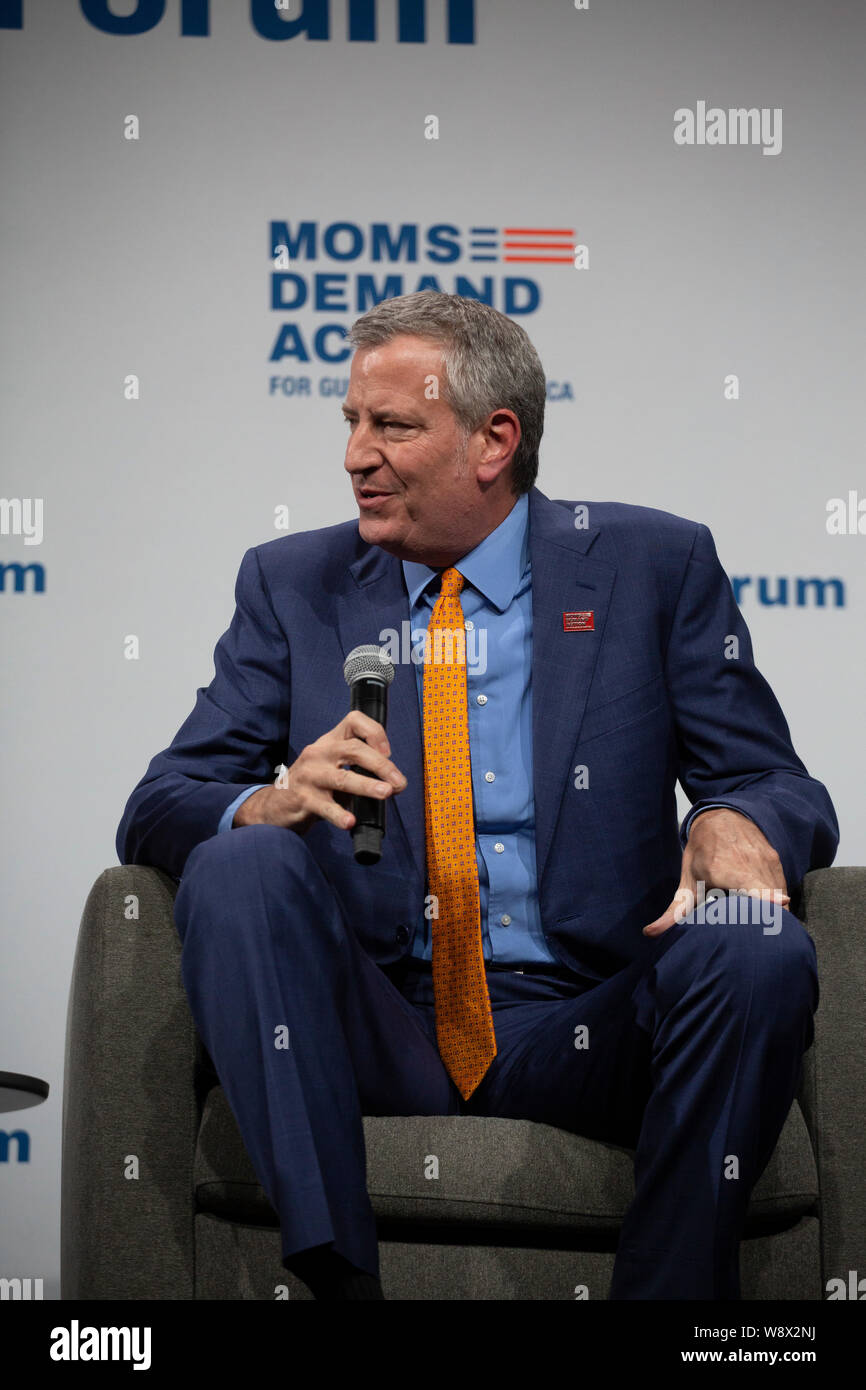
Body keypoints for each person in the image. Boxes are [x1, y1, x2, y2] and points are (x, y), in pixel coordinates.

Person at [116, 290, 838, 1301]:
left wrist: (733, 816)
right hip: (376, 1019)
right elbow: (161, 798)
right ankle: (338, 1280)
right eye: (349, 424)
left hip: (590, 1020)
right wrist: (267, 802)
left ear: (493, 440)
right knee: (239, 862)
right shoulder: (294, 583)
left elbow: (776, 779)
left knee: (755, 949)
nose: (354, 455)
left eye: (391, 426)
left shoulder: (651, 566)